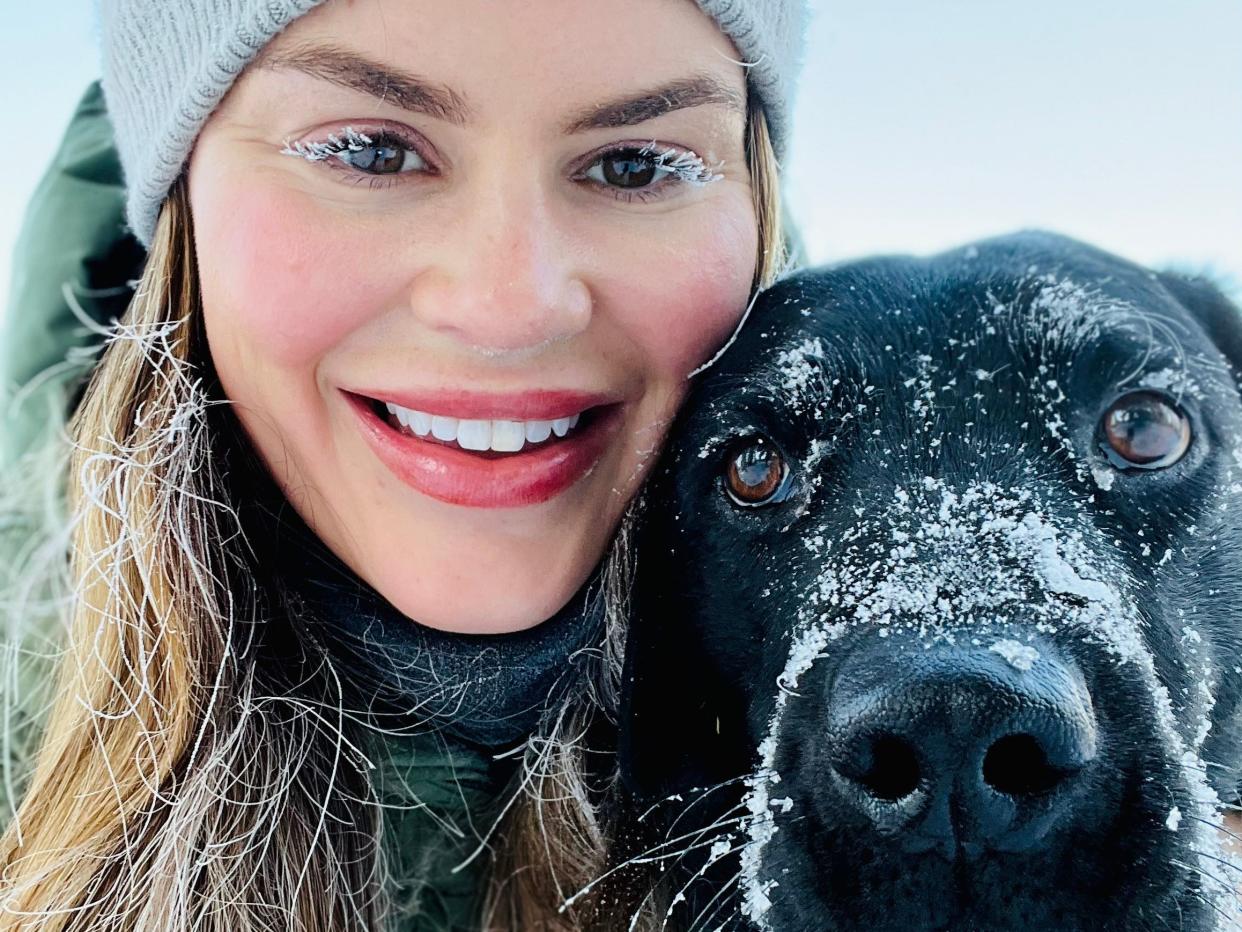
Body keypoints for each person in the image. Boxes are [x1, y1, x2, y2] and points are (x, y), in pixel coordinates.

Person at [0, 0, 809, 928]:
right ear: (185, 198)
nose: (511, 308)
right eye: (370, 151)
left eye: (636, 164)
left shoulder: (923, 755)